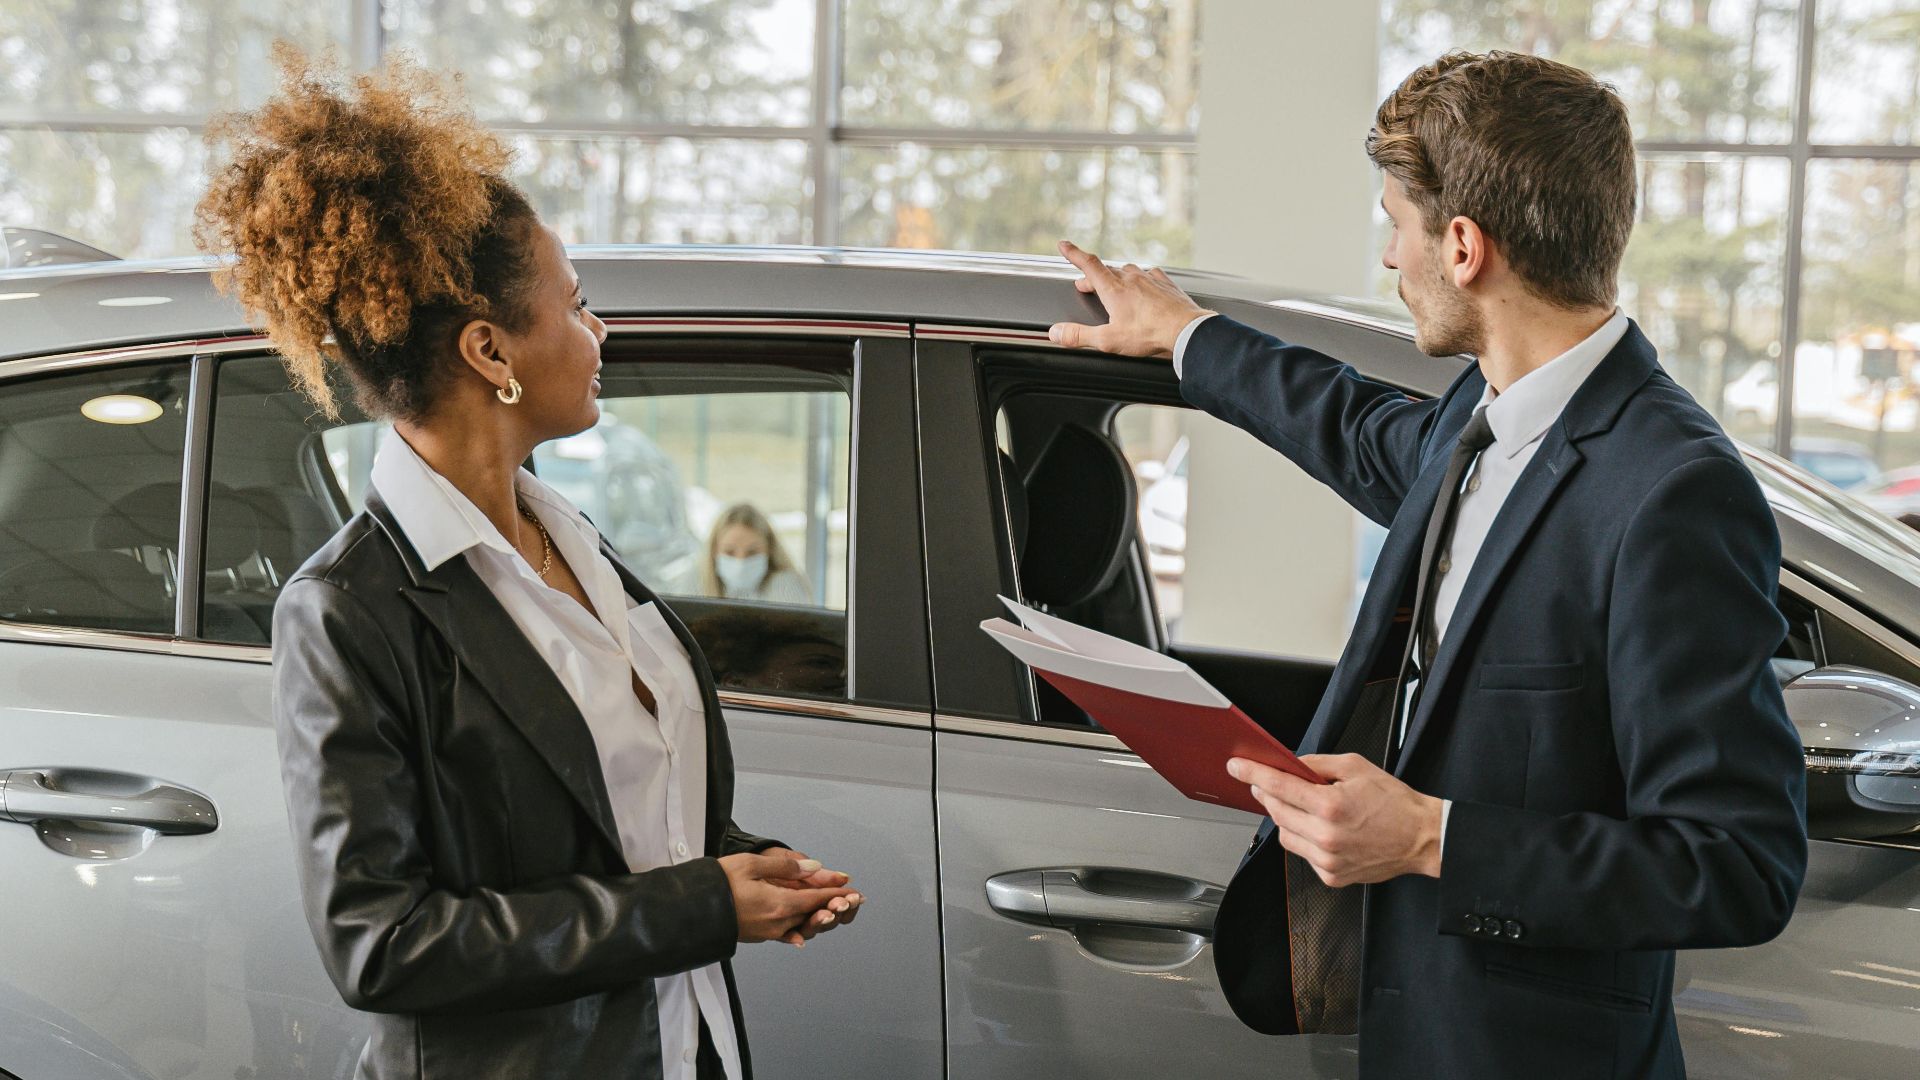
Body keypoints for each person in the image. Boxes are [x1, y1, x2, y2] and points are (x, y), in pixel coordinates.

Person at [1047, 50, 1807, 1080]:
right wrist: (1188, 337)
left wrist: (1428, 838)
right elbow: (1353, 426)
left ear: (1461, 247)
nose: (1389, 257)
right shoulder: (1479, 416)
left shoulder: (1672, 493)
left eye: (1395, 226)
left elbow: (1740, 866)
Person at [197, 49, 862, 1080]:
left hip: (684, 1044)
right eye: (577, 303)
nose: (599, 331)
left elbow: (606, 816)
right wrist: (699, 906)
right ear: (490, 353)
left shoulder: (573, 537)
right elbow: (382, 944)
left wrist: (740, 869)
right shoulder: (347, 609)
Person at [701, 503, 814, 604]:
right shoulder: (695, 583)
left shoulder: (787, 585)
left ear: (770, 549)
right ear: (714, 551)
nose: (740, 562)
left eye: (752, 552)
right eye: (729, 552)